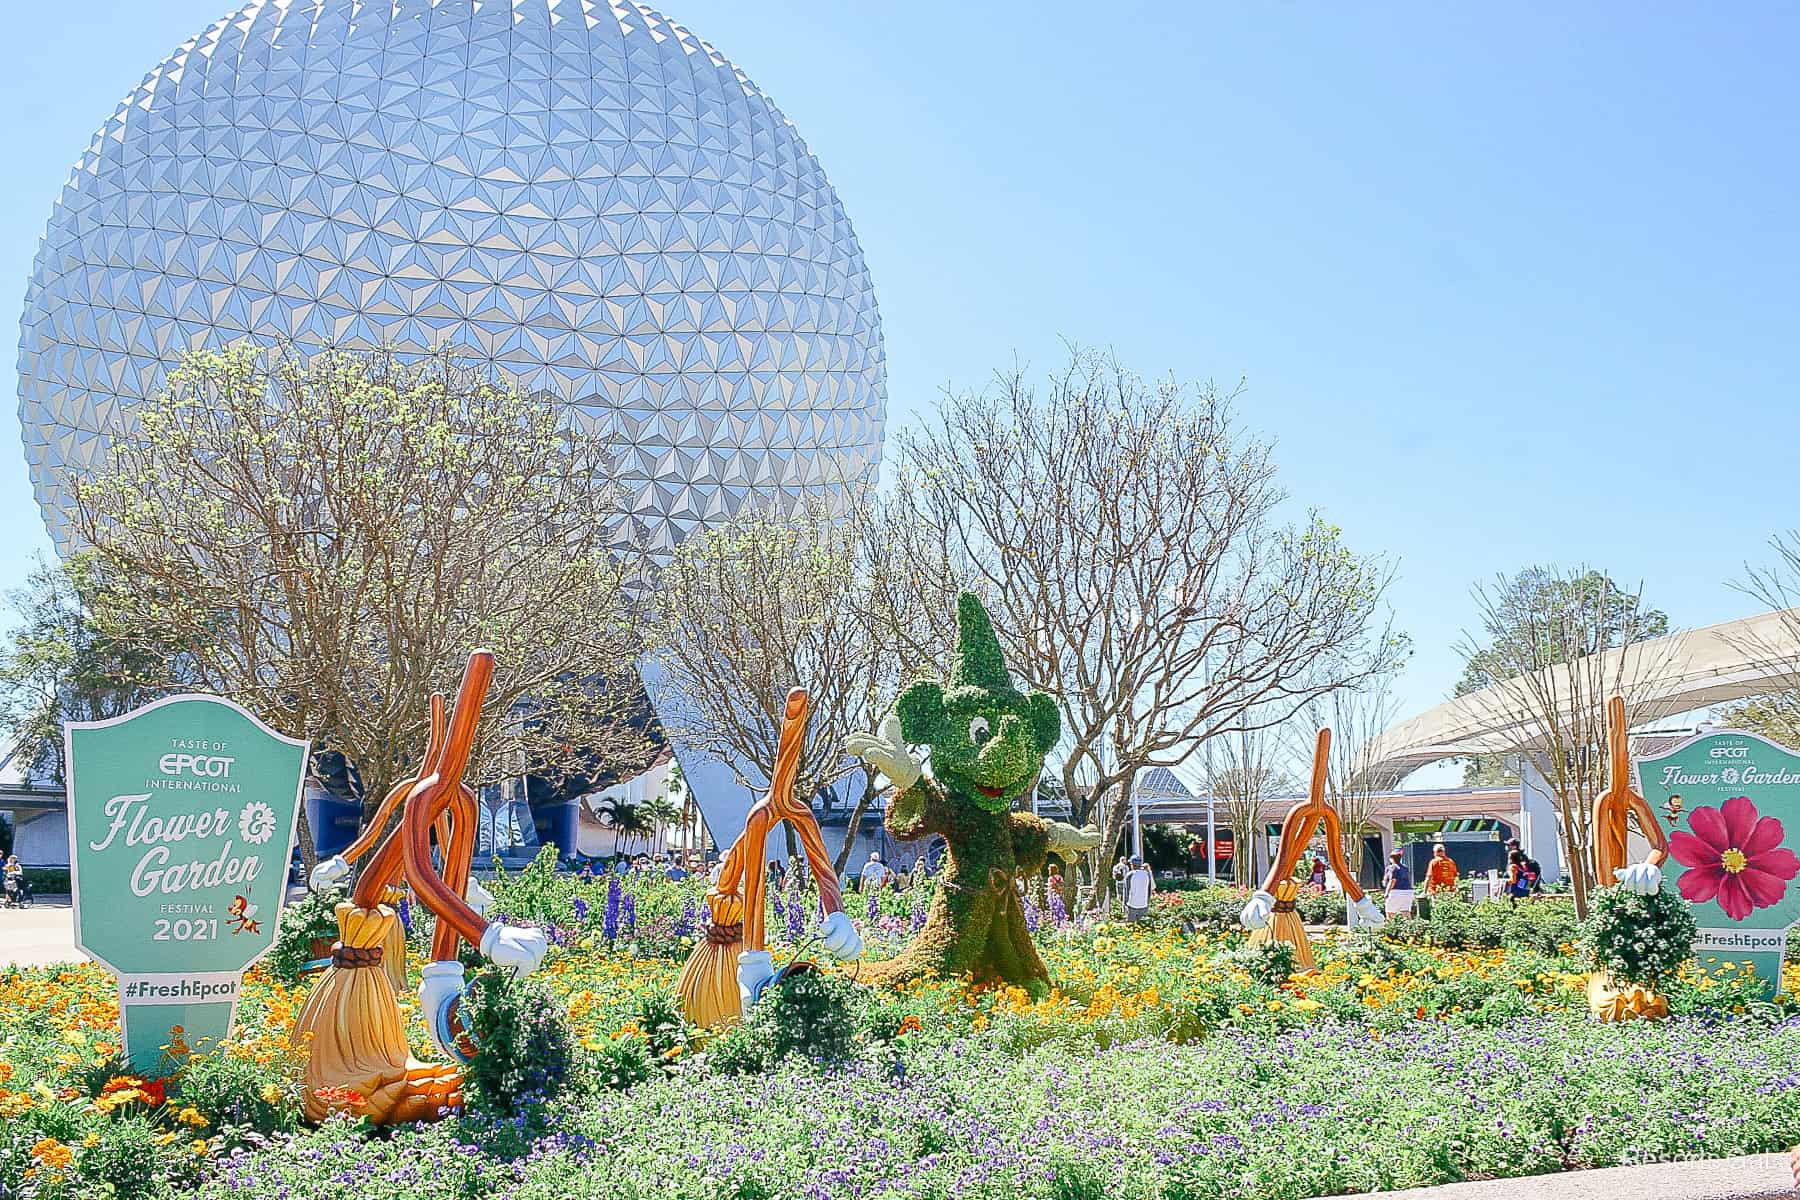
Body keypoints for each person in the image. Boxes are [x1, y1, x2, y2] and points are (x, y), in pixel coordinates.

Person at [1382, 850, 1414, 918]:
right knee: (1406, 912)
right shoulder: (1405, 868)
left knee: (1390, 913)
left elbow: (1393, 881)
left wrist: (1386, 893)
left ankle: (1391, 927)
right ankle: (1411, 927)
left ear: (1391, 858)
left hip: (1396, 892)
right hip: (1408, 892)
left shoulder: (1392, 867)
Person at [1123, 855, 1154, 922]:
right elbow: (1149, 891)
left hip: (1132, 905)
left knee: (1131, 927)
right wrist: (1147, 902)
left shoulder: (1130, 874)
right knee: (1143, 927)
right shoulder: (1147, 874)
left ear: (1132, 864)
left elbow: (1126, 891)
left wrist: (1124, 904)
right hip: (1143, 904)